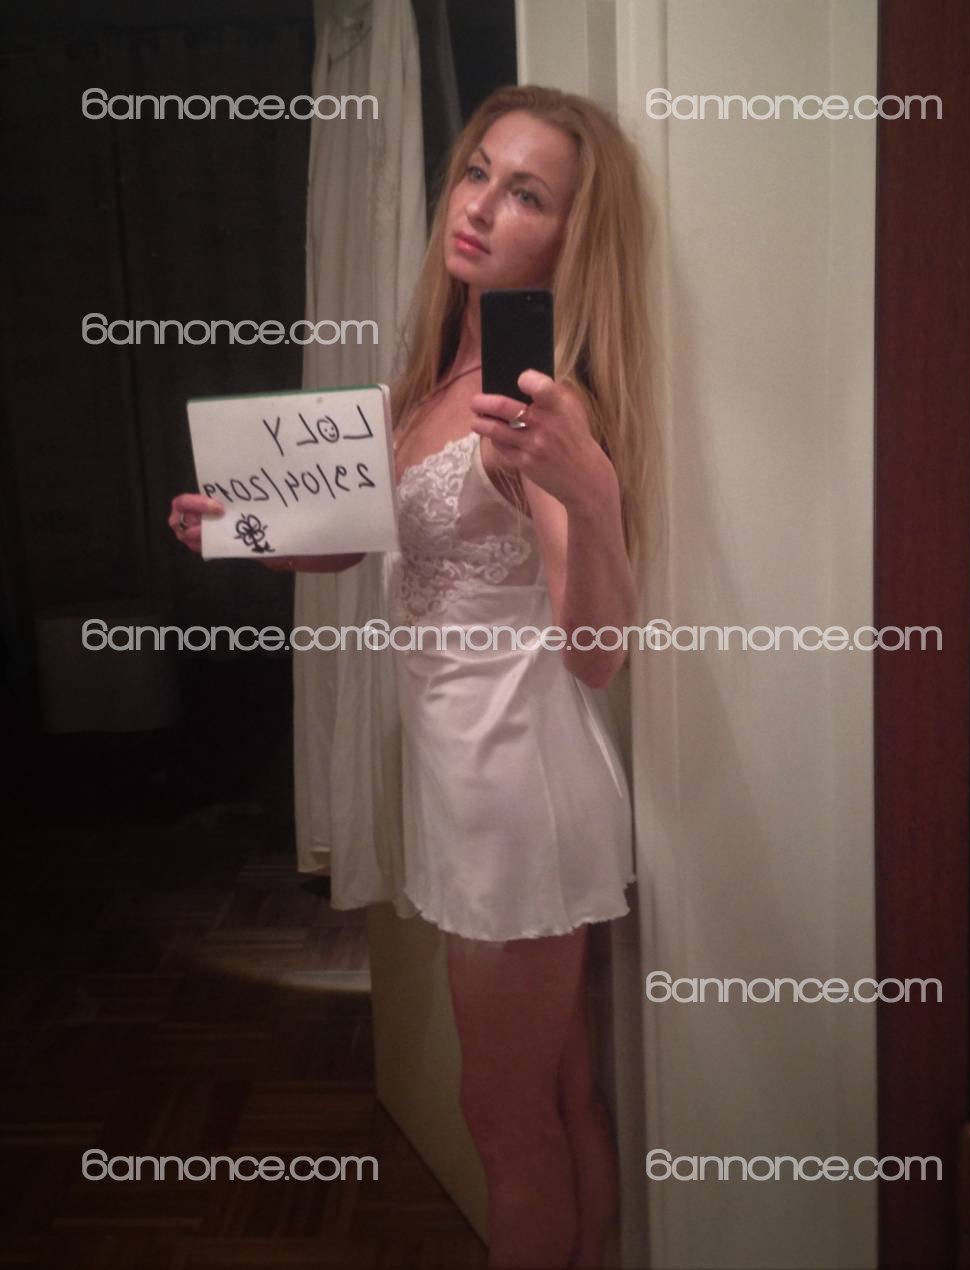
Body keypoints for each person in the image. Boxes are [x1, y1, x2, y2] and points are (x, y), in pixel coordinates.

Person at [170, 84, 661, 1270]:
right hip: (472, 776)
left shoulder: (537, 404)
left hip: (512, 790)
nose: (480, 206)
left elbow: (596, 650)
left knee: (504, 1120)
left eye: (526, 194)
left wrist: (591, 491)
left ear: (571, 237)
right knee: (560, 1094)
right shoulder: (439, 375)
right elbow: (362, 539)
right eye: (477, 172)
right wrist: (243, 530)